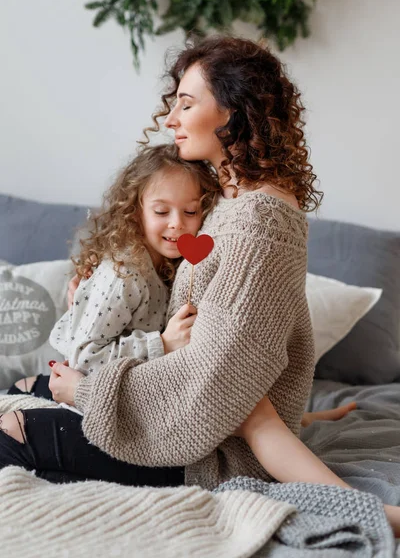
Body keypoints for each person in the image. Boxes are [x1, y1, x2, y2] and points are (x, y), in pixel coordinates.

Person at [1, 35, 399, 534]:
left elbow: (224, 387)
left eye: (186, 104)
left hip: (201, 449)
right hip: (194, 423)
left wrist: (87, 392)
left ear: (232, 112)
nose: (170, 120)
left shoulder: (257, 226)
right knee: (22, 388)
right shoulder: (232, 206)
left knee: (9, 430)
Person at [7, 143, 217, 406]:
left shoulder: (168, 263)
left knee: (21, 389)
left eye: (190, 211)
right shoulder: (126, 273)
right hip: (85, 399)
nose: (177, 222)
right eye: (161, 211)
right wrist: (162, 343)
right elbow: (85, 358)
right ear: (136, 211)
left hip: (110, 392)